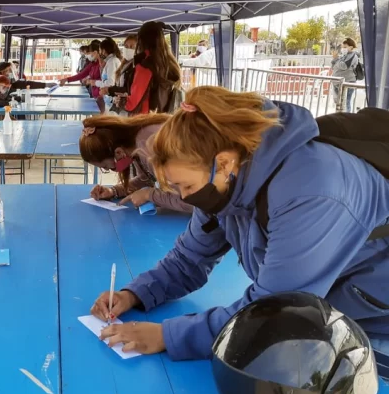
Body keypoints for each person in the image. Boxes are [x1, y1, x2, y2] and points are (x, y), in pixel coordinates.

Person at [92, 86, 389, 366]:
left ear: (222, 164)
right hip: (323, 312)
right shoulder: (226, 181)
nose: (183, 198)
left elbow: (277, 310)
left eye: (185, 185)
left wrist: (167, 336)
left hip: (374, 320)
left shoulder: (314, 189)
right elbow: (188, 260)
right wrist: (134, 294)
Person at [79, 114, 192, 213]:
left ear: (118, 152)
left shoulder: (149, 147)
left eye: (106, 167)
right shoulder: (135, 142)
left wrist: (148, 195)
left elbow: (192, 201)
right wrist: (114, 191)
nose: (111, 169)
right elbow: (146, 179)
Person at [124, 21, 182, 115]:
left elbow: (133, 103)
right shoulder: (170, 64)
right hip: (165, 119)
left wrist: (121, 101)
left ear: (141, 40)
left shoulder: (145, 66)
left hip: (146, 121)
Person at [60, 40, 105, 112]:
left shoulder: (103, 64)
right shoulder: (93, 64)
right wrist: (66, 79)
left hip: (102, 97)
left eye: (89, 53)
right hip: (95, 96)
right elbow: (81, 75)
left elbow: (106, 82)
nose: (87, 55)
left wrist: (92, 81)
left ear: (96, 52)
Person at [101, 34, 137, 115]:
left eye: (132, 47)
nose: (128, 49)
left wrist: (110, 90)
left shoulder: (136, 67)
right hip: (119, 105)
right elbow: (119, 85)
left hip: (129, 109)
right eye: (126, 46)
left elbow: (129, 89)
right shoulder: (124, 64)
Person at [331, 38, 360, 112]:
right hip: (339, 83)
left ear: (351, 47)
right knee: (339, 103)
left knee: (346, 102)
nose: (343, 49)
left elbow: (344, 66)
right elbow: (334, 66)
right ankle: (340, 117)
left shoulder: (353, 56)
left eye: (345, 47)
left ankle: (346, 118)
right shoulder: (344, 56)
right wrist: (334, 60)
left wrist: (336, 59)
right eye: (342, 47)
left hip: (348, 82)